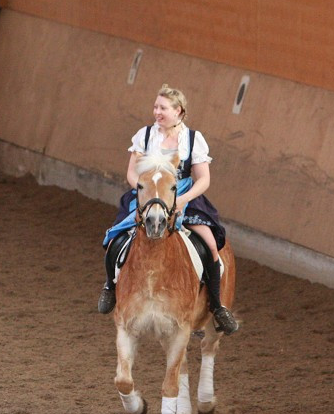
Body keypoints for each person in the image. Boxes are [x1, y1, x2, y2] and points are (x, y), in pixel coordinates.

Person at [98, 84, 239, 335]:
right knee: (115, 239)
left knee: (210, 245)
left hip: (183, 196)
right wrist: (145, 192)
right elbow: (132, 172)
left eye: (163, 108)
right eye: (155, 107)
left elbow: (204, 179)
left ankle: (217, 306)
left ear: (179, 111)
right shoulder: (144, 135)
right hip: (148, 197)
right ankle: (110, 287)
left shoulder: (194, 140)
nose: (157, 112)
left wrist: (183, 199)